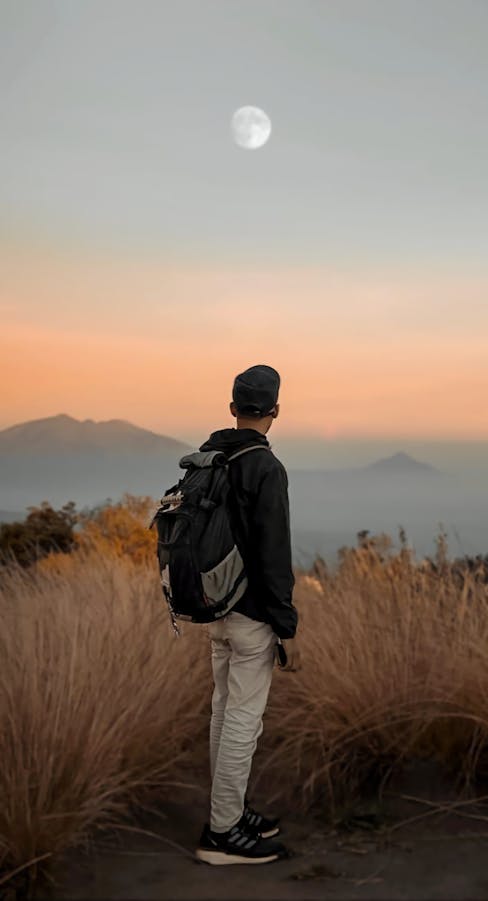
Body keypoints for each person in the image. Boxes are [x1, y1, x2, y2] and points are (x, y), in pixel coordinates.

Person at [195, 364, 301, 866]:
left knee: (223, 712)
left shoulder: (209, 457)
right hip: (251, 614)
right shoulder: (265, 467)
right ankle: (222, 833)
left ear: (233, 408)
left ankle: (227, 813)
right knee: (242, 720)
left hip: (210, 606)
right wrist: (286, 626)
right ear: (274, 411)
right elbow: (273, 554)